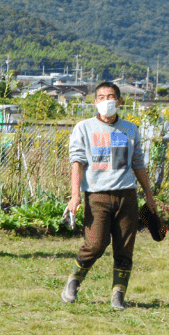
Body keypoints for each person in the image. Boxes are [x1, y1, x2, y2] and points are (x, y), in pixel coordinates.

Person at [62, 81, 159, 310]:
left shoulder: (131, 129)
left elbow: (138, 164)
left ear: (120, 101)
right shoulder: (84, 128)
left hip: (127, 196)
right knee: (95, 244)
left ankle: (118, 295)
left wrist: (150, 196)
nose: (107, 101)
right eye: (102, 97)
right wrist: (75, 196)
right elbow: (77, 162)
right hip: (97, 196)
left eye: (112, 96)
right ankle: (74, 279)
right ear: (95, 101)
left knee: (124, 248)